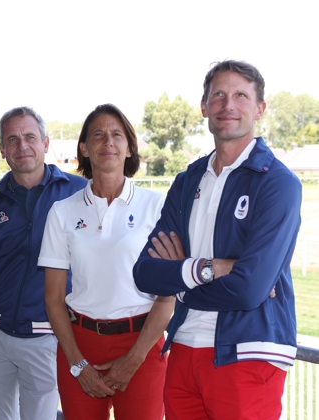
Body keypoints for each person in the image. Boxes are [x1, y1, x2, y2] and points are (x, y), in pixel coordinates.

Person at [133, 60, 301, 420]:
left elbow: (249, 289)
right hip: (181, 348)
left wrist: (179, 282)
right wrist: (208, 268)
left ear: (259, 109)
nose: (228, 105)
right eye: (219, 95)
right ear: (204, 107)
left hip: (247, 351)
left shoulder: (277, 182)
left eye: (241, 95)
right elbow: (145, 273)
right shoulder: (187, 180)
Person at [38, 104, 173, 420]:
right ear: (84, 148)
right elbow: (53, 299)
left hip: (143, 342)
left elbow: (169, 296)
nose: (107, 142)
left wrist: (134, 358)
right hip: (80, 344)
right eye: (97, 135)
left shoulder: (157, 207)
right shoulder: (62, 211)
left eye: (117, 135)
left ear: (129, 147)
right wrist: (78, 364)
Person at [0, 107, 86, 419]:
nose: (21, 146)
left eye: (29, 137)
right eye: (12, 140)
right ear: (2, 150)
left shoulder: (79, 192)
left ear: (45, 143)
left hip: (48, 335)